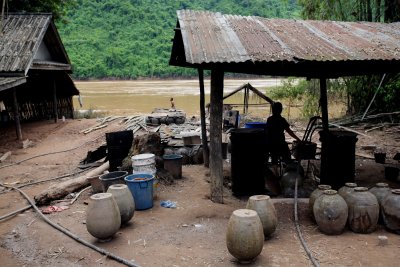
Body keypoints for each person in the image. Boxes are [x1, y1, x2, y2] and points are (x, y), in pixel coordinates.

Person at [266, 102, 301, 168]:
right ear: (281, 110)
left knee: (274, 159)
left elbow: (267, 132)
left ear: (273, 110)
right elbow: (289, 132)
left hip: (271, 143)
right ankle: (287, 166)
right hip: (280, 143)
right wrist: (298, 139)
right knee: (287, 158)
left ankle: (275, 170)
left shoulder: (269, 119)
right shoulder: (282, 120)